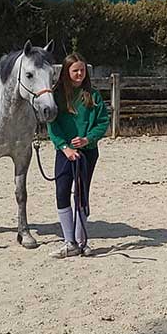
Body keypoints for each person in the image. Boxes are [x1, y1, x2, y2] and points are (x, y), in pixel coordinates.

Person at [47, 53, 111, 258]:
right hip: (64, 153)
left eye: (82, 70)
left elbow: (102, 122)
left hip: (88, 153)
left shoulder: (93, 95)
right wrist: (64, 147)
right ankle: (69, 242)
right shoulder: (56, 95)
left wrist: (87, 140)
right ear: (66, 72)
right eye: (75, 70)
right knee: (62, 192)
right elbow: (52, 124)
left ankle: (82, 241)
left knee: (82, 195)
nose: (79, 74)